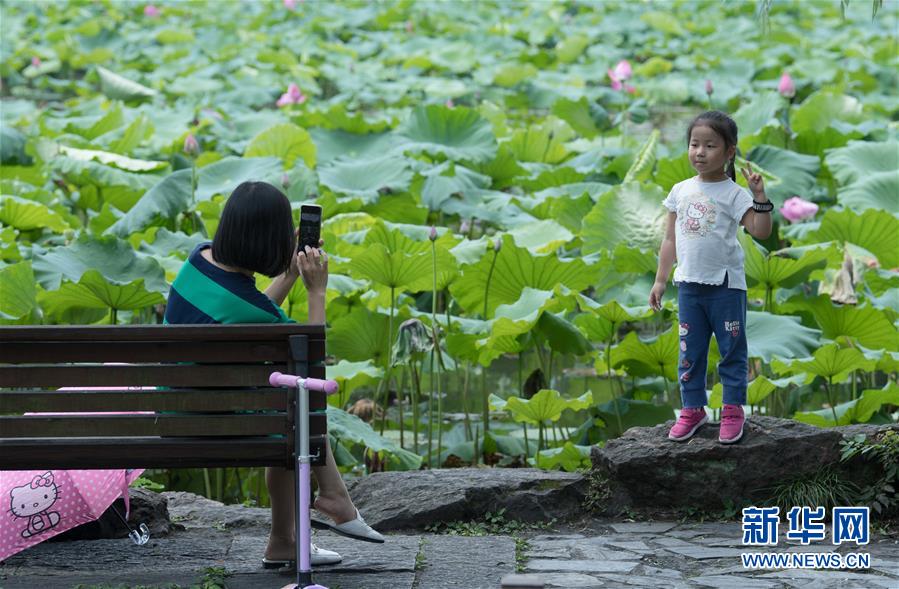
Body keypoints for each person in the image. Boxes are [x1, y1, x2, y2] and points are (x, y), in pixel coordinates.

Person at [164, 181, 384, 568]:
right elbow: (312, 365)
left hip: (173, 411)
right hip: (208, 423)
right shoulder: (256, 313)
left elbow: (244, 312)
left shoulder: (197, 259)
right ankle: (330, 502)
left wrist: (291, 273)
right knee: (296, 411)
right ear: (269, 239)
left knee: (285, 410)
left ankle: (297, 531)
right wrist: (316, 291)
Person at [648, 110, 773, 444]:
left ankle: (732, 409)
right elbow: (670, 240)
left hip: (726, 286)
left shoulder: (734, 194)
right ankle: (693, 409)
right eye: (694, 144)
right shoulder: (680, 190)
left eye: (710, 145)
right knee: (689, 351)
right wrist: (660, 280)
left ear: (729, 152)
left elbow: (760, 231)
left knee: (732, 350)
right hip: (689, 285)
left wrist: (760, 197)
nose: (700, 152)